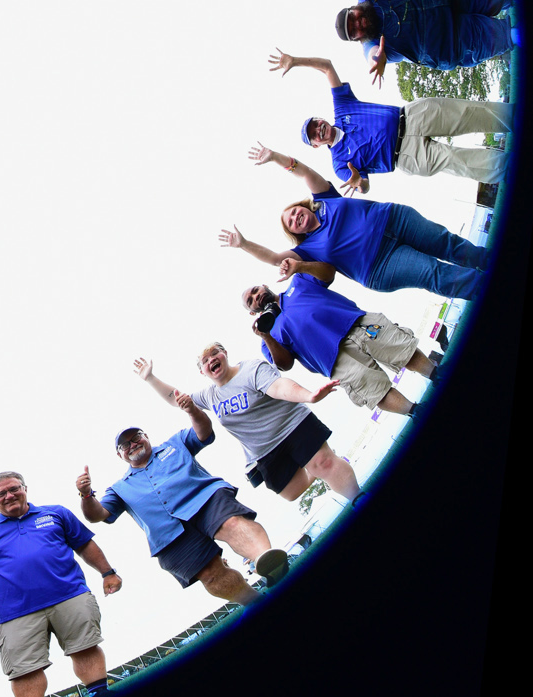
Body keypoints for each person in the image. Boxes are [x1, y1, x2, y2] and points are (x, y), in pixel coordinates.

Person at [220, 143, 489, 299]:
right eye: (291, 223)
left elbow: (304, 172)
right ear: (296, 232)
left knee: (446, 242)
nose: (295, 218)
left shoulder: (324, 198)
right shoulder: (306, 249)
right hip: (379, 264)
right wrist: (243, 244)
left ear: (301, 206)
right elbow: (273, 258)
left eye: (293, 212)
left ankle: (492, 261)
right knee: (433, 273)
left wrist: (275, 157)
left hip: (393, 219)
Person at [76, 405, 287, 605]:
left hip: (206, 501)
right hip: (168, 536)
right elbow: (98, 514)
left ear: (146, 436)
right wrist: (86, 495)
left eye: (136, 437)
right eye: (125, 445)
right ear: (119, 454)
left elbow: (203, 433)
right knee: (211, 575)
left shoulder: (175, 443)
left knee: (231, 524)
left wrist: (193, 410)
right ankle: (256, 602)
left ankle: (268, 561)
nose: (133, 444)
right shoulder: (119, 488)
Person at [0, 473, 119, 697]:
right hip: (16, 613)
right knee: (24, 669)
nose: (9, 496)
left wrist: (108, 573)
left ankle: (100, 696)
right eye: (1, 494)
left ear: (25, 488)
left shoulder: (56, 513)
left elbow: (84, 544)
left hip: (69, 595)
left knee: (85, 647)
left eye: (14, 489)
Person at [134, 351, 359, 503]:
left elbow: (279, 387)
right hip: (263, 450)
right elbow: (176, 399)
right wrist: (150, 378)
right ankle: (321, 468)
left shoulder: (250, 370)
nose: (211, 358)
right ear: (202, 371)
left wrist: (308, 396)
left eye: (215, 352)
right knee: (291, 493)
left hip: (291, 426)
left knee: (323, 464)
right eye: (205, 360)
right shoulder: (209, 396)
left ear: (225, 355)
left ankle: (357, 496)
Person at [268, 47, 512, 185]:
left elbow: (327, 67)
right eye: (314, 135)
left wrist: (295, 61)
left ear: (320, 118)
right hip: (407, 156)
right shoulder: (340, 164)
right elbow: (363, 185)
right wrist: (358, 182)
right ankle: (513, 169)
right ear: (316, 145)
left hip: (414, 116)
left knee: (473, 113)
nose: (318, 129)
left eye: (315, 124)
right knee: (464, 163)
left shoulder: (342, 108)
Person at [243, 267, 438, 417]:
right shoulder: (266, 339)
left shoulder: (299, 281)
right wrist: (266, 336)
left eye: (254, 290)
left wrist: (299, 264)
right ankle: (417, 412)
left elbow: (327, 273)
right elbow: (285, 365)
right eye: (250, 300)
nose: (255, 296)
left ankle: (437, 373)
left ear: (263, 285)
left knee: (402, 350)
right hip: (336, 362)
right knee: (376, 391)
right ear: (252, 312)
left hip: (357, 323)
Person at [336, 0, 514, 82]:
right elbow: (373, 58)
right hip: (448, 40)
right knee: (503, 36)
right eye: (354, 31)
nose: (357, 23)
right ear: (357, 39)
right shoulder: (372, 45)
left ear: (354, 7)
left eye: (352, 17)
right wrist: (377, 62)